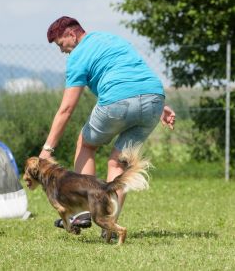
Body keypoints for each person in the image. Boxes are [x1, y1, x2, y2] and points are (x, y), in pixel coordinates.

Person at [39, 16, 176, 230]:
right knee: (118, 162)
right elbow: (137, 72)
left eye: (60, 44)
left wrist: (47, 149)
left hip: (118, 102)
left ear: (71, 34)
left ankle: (85, 211)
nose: (62, 50)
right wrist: (156, 105)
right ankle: (110, 223)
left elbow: (66, 109)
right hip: (154, 98)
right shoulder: (112, 39)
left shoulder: (78, 56)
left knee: (86, 143)